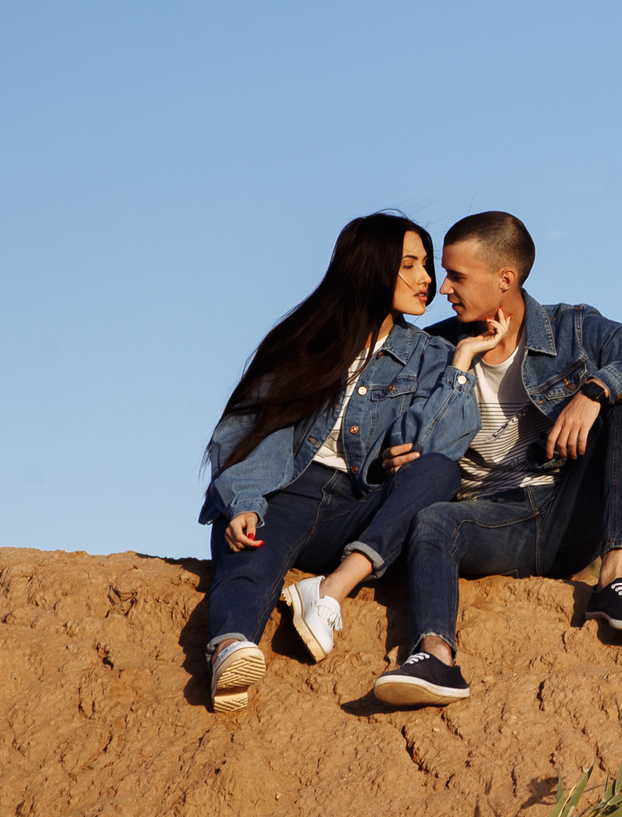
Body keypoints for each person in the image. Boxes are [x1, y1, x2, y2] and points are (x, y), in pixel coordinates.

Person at [372, 210, 622, 707]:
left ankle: (614, 579)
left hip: (567, 513)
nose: (443, 288)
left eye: (457, 276)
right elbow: (388, 433)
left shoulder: (572, 329)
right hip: (489, 523)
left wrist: (596, 388)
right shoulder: (434, 348)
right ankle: (436, 656)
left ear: (506, 279)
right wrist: (390, 456)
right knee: (436, 520)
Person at [198, 213, 476, 713]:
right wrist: (243, 501)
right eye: (409, 265)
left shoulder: (434, 354)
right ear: (370, 266)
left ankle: (329, 592)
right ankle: (230, 648)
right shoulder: (303, 343)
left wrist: (459, 369)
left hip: (358, 509)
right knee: (248, 544)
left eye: (427, 267)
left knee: (441, 472)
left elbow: (440, 446)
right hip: (285, 493)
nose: (427, 279)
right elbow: (242, 436)